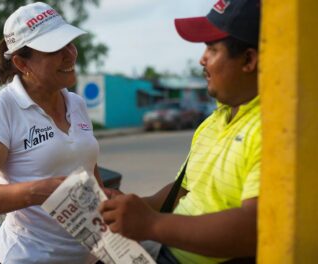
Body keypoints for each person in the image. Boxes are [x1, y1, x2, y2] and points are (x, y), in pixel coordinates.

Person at [100, 0, 261, 263]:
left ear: (248, 59)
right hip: (165, 248)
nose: (202, 59)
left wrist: (151, 224)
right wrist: (133, 206)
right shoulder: (214, 120)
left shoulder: (269, 129)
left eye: (212, 48)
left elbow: (251, 229)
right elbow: (184, 191)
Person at [0, 2, 103, 263]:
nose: (70, 54)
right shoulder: (2, 107)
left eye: (70, 43)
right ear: (21, 62)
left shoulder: (77, 104)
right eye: (55, 49)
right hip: (27, 257)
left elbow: (88, 169)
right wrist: (38, 191)